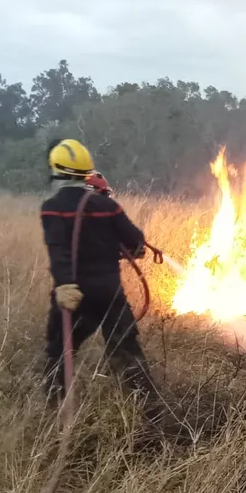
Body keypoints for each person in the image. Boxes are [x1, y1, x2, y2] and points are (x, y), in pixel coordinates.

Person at [41, 139, 160, 407]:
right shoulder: (107, 206)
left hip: (74, 295)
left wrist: (64, 285)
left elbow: (58, 249)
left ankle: (54, 414)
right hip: (109, 294)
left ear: (56, 170)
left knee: (59, 354)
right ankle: (151, 413)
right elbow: (136, 241)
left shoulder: (52, 207)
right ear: (86, 171)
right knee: (127, 353)